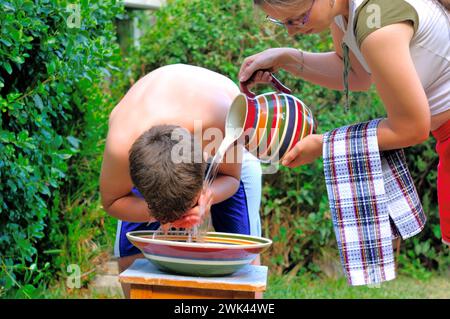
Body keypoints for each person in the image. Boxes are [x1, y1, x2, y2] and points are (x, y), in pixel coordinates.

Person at [238, 0, 450, 246]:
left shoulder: (378, 28)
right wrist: (285, 58)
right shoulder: (345, 12)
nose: (292, 31)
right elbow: (355, 74)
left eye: (297, 19)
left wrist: (324, 145)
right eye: (283, 22)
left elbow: (411, 128)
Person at [100, 64, 262, 297]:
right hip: (154, 146)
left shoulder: (224, 121)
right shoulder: (121, 143)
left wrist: (206, 198)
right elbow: (112, 201)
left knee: (245, 260)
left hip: (225, 148)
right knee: (131, 262)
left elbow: (232, 178)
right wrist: (159, 215)